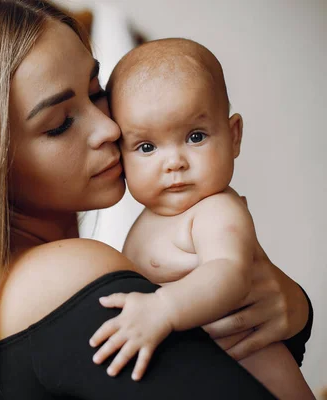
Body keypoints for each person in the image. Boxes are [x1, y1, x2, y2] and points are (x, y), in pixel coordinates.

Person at [0, 1, 313, 399]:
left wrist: (293, 310)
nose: (109, 129)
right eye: (60, 123)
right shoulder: (74, 274)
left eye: (96, 91)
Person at [87, 38, 314, 399]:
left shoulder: (215, 210)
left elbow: (229, 273)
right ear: (121, 154)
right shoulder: (150, 220)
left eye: (195, 137)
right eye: (147, 147)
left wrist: (163, 308)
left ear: (234, 136)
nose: (174, 162)